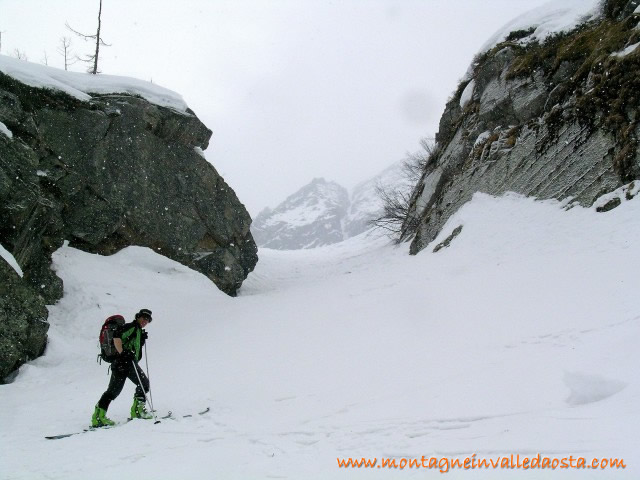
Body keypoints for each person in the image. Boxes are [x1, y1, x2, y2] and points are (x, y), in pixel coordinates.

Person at [92, 308, 154, 427]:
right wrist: (123, 352)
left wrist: (140, 339)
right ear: (138, 317)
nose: (145, 321)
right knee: (143, 383)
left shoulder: (137, 330)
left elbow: (132, 346)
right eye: (143, 318)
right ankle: (137, 412)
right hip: (125, 362)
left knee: (113, 391)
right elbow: (116, 337)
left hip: (120, 363)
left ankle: (98, 417)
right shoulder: (131, 326)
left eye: (148, 320)